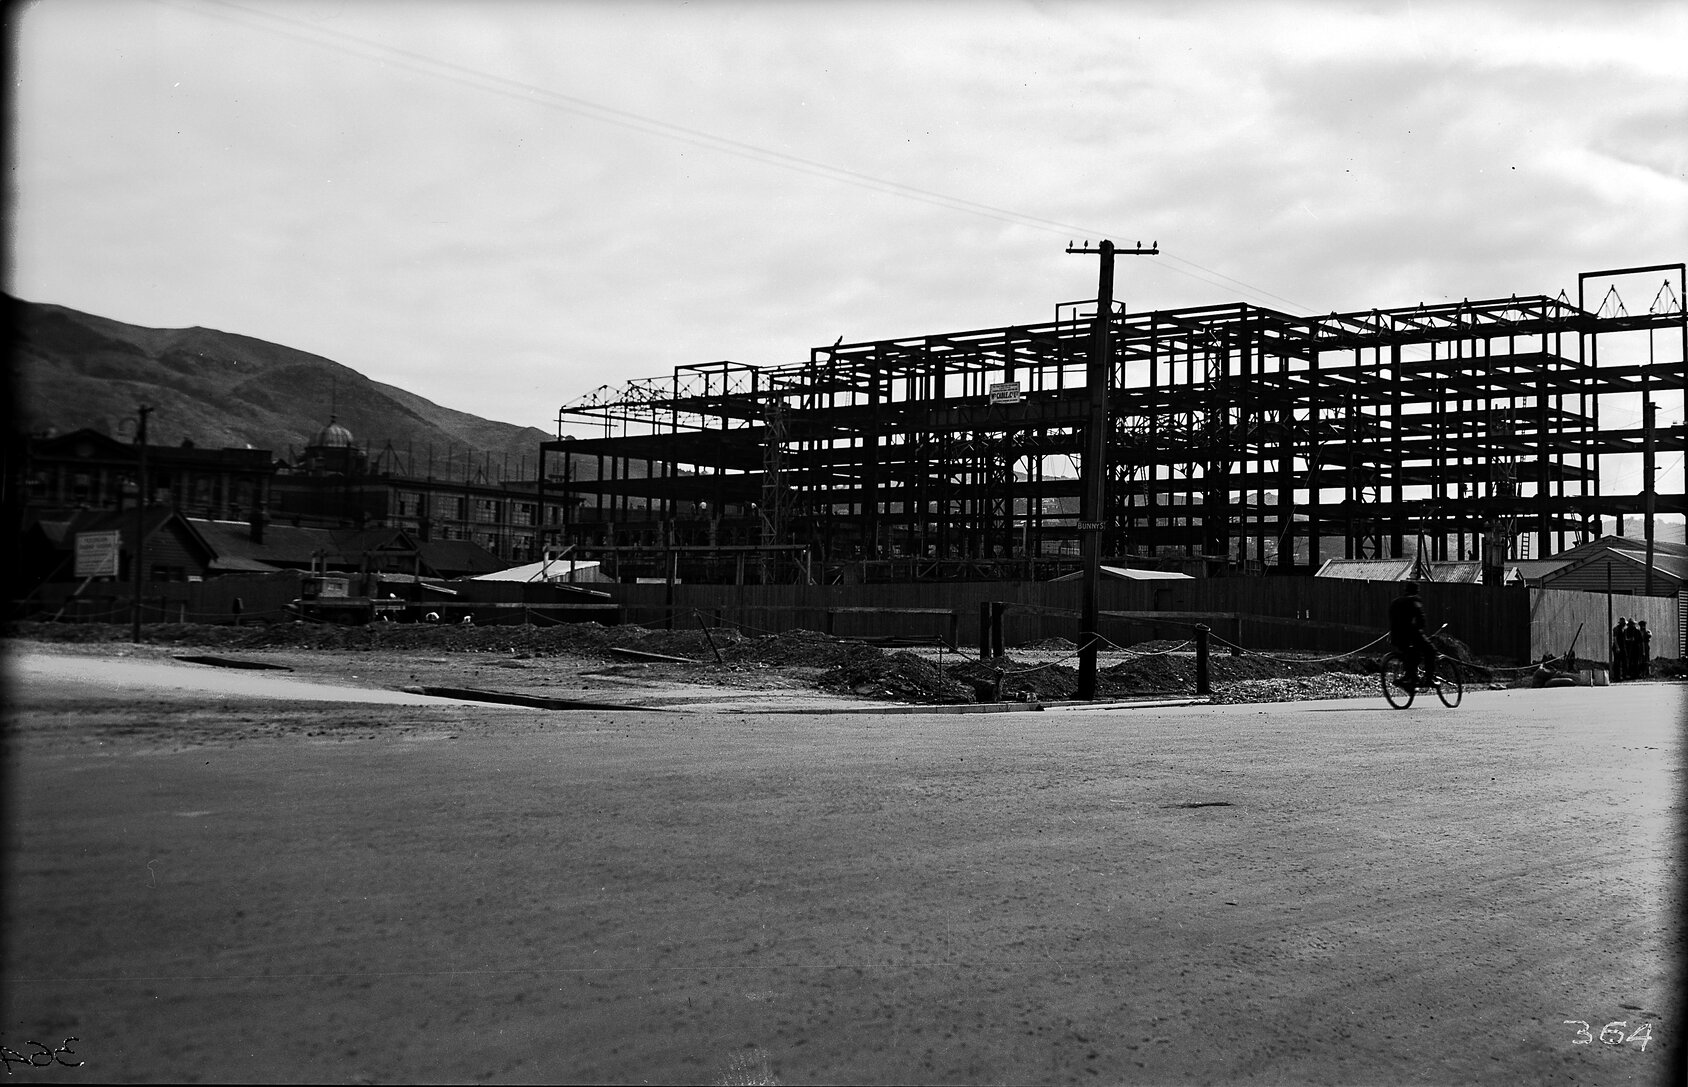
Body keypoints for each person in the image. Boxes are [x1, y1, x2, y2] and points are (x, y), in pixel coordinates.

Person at [1388, 581, 1440, 689]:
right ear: (1416, 591)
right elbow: (1421, 620)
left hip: (1396, 637)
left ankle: (1410, 677)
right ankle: (1429, 679)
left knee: (1411, 654)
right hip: (1411, 635)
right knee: (1430, 651)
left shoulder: (1395, 602)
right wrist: (1420, 629)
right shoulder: (1414, 600)